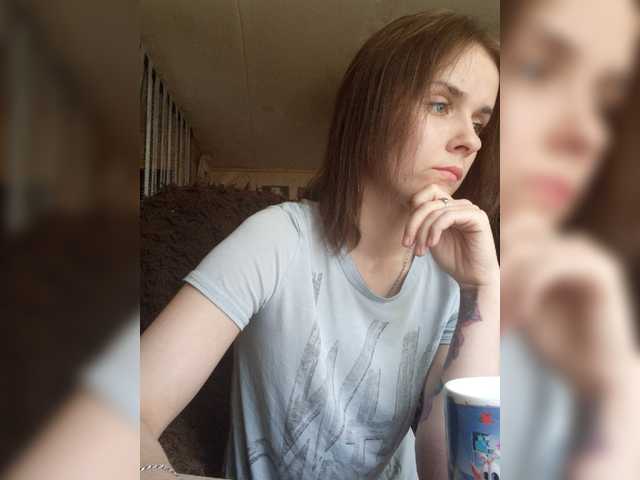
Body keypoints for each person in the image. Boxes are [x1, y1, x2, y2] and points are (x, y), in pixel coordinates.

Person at [141, 10, 499, 480]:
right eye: (439, 105)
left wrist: (482, 289)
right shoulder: (276, 240)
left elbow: (453, 471)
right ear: (369, 111)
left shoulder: (447, 282)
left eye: (479, 122)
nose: (470, 140)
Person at [500, 0, 640, 478]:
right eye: (537, 69)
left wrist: (618, 394)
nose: (589, 135)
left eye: (607, 105)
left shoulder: (583, 321)